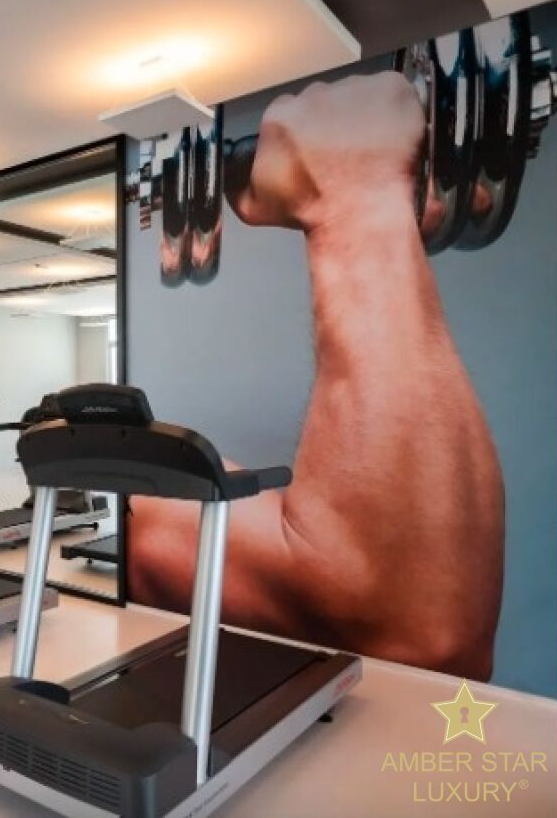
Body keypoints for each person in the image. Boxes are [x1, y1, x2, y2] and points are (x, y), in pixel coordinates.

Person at [127, 71, 506, 681]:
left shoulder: (148, 486)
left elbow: (418, 614)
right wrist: (353, 195)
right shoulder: (120, 521)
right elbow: (422, 633)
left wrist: (366, 195)